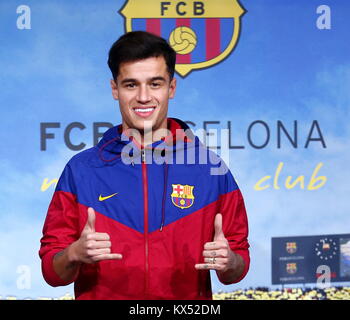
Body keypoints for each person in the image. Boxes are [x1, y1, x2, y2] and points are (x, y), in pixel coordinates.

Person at [39, 31, 250, 300]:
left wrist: (230, 260)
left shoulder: (209, 168)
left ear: (171, 88)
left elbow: (237, 267)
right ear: (114, 89)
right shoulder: (82, 170)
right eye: (130, 85)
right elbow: (51, 272)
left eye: (155, 83)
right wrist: (73, 254)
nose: (143, 97)